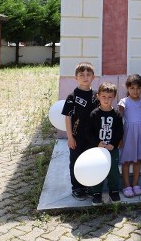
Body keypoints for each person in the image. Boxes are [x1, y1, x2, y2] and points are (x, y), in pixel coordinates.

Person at [61, 62, 98, 200]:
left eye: (88, 74)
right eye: (81, 75)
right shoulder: (72, 96)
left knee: (89, 161)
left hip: (92, 137)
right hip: (77, 136)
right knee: (76, 161)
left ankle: (88, 185)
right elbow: (67, 117)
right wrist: (70, 137)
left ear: (93, 77)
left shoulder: (97, 96)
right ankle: (77, 188)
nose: (85, 77)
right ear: (76, 77)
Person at [88, 82, 124, 205]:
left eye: (110, 97)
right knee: (97, 169)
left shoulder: (117, 115)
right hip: (97, 150)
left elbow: (120, 131)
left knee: (113, 170)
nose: (106, 99)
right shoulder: (94, 114)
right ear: (98, 96)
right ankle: (96, 192)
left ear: (114, 97)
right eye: (103, 96)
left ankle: (114, 191)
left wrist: (113, 143)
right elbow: (89, 132)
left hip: (112, 149)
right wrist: (97, 143)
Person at [118, 74, 141, 198]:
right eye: (132, 88)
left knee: (137, 161)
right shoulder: (124, 102)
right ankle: (126, 185)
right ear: (127, 88)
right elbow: (119, 121)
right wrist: (119, 138)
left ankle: (135, 184)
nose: (135, 91)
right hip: (128, 134)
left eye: (138, 88)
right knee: (126, 161)